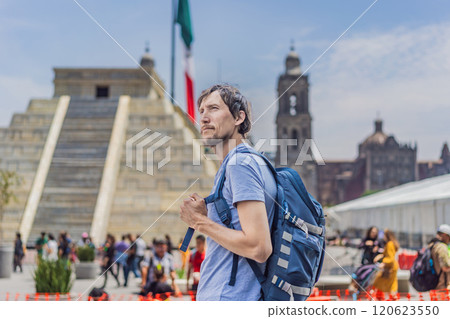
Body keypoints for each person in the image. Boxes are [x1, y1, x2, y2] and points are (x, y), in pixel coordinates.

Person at [179, 84, 276, 301]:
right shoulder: (242, 163)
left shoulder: (239, 164)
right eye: (201, 111)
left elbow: (259, 247)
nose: (203, 118)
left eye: (213, 108)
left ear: (238, 118)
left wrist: (199, 222)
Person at [373, 229, 400, 294]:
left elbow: (390, 258)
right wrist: (381, 255)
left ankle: (378, 298)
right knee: (390, 286)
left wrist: (383, 263)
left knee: (379, 283)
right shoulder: (391, 243)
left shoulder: (389, 244)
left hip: (390, 267)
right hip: (391, 267)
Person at [429, 224, 450, 290]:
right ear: (444, 235)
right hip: (442, 286)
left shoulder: (432, 245)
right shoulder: (442, 247)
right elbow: (445, 267)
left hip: (434, 284)